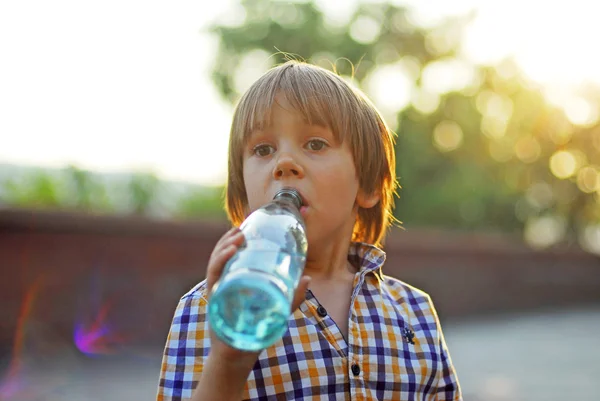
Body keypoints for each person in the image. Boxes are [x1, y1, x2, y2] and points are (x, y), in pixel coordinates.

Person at [157, 60, 462, 401]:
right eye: (263, 149)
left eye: (315, 144)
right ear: (243, 195)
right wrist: (226, 363)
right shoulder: (214, 306)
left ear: (369, 184)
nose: (284, 163)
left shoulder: (415, 311)